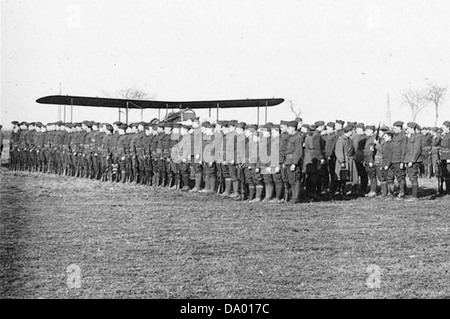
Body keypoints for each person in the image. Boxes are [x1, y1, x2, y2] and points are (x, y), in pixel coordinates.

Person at [403, 122, 423, 200]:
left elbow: (417, 150)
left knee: (413, 177)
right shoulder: (409, 137)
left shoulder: (417, 137)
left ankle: (414, 196)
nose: (407, 130)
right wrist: (406, 161)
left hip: (414, 161)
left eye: (408, 128)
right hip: (409, 160)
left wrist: (412, 160)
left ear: (412, 129)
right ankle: (413, 195)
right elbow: (407, 151)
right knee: (411, 177)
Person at [440, 121, 450, 195]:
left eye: (444, 128)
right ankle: (447, 190)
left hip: (448, 157)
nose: (442, 129)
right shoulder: (444, 135)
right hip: (443, 157)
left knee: (449, 173)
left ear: (448, 127)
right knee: (445, 174)